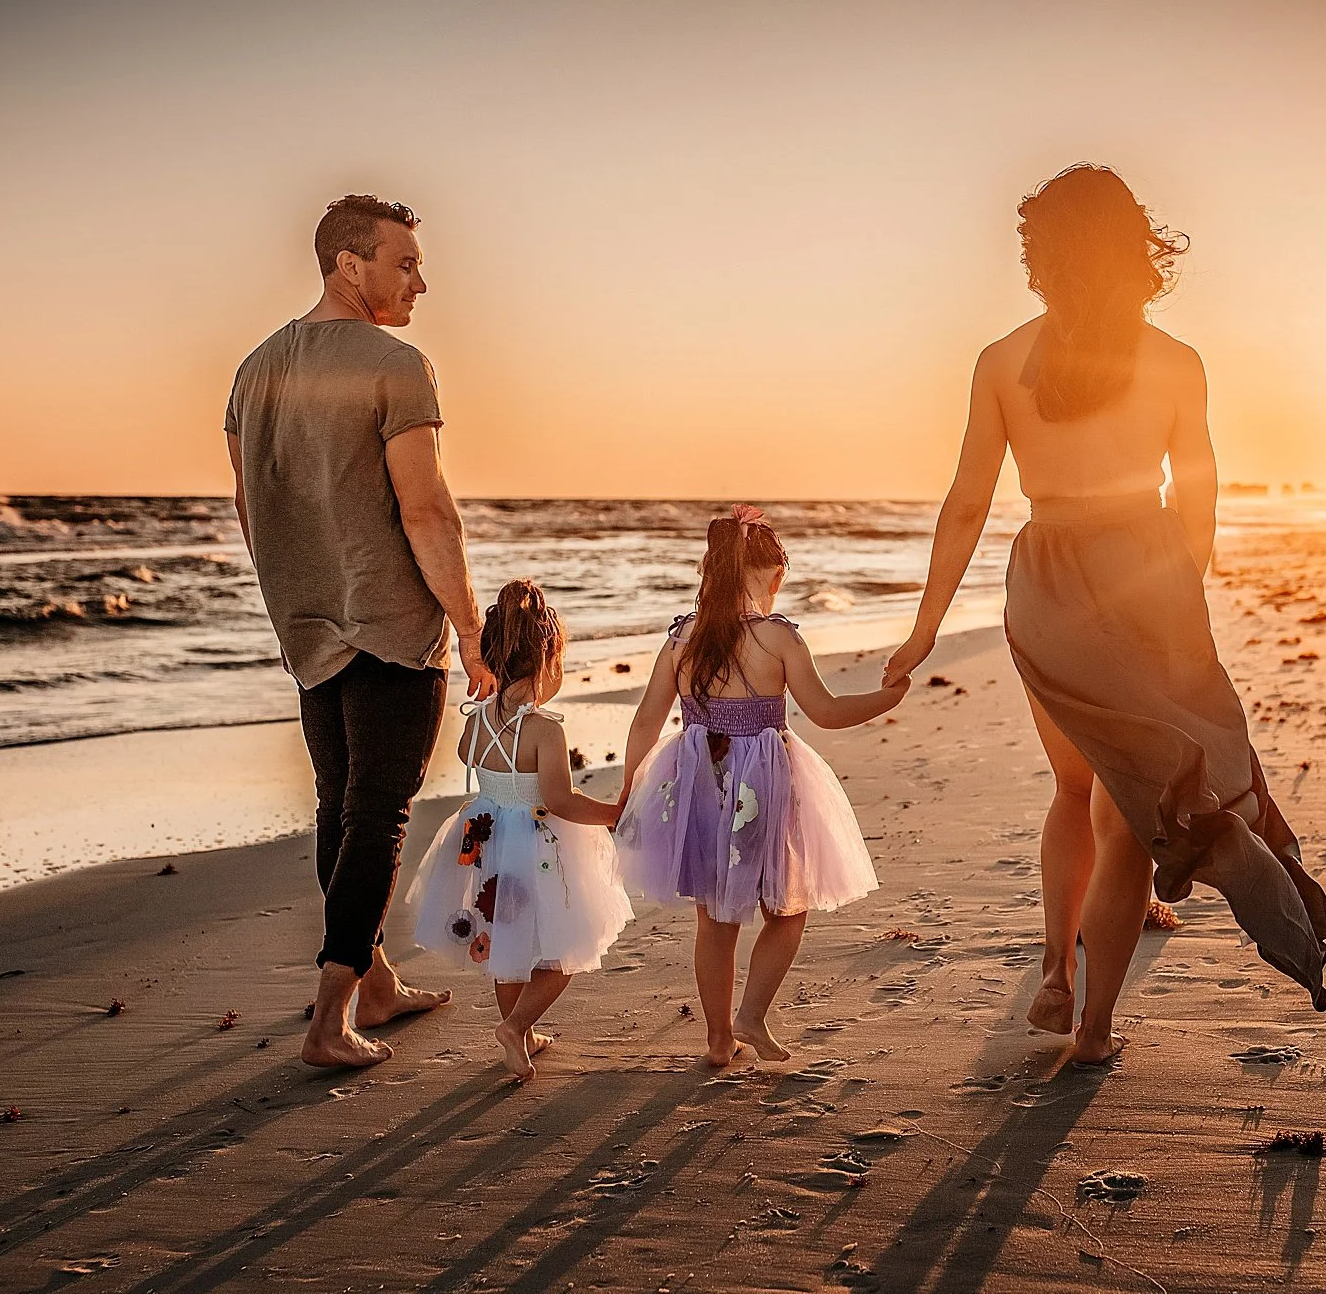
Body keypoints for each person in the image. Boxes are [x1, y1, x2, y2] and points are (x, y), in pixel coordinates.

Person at [884, 164, 1326, 1065]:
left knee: (1074, 790)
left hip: (1045, 586)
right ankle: (1093, 1031)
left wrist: (926, 625)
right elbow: (1198, 491)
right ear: (1135, 249)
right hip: (1149, 583)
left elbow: (968, 501)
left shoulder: (1000, 361)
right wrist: (1180, 594)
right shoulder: (1175, 363)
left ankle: (1055, 970)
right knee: (1129, 814)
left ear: (1041, 255)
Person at [225, 193, 496, 1069]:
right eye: (405, 263)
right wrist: (468, 624)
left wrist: (296, 591)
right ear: (352, 265)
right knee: (376, 815)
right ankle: (329, 1019)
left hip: (304, 627)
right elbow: (425, 509)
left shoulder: (255, 369)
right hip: (386, 620)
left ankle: (373, 985)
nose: (422, 280)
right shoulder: (395, 362)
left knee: (338, 810)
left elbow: (247, 508)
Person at [614, 505, 907, 1067]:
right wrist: (887, 698)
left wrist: (632, 788)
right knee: (787, 909)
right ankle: (751, 1015)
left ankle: (719, 1039)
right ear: (772, 576)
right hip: (761, 782)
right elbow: (826, 711)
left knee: (715, 917)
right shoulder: (777, 638)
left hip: (698, 776)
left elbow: (647, 721)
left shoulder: (682, 639)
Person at [409, 580, 633, 1083]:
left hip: (488, 837)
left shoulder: (479, 720)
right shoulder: (546, 728)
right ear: (549, 660)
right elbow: (560, 801)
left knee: (503, 935)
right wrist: (614, 813)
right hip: (539, 842)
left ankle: (522, 1033)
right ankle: (516, 1027)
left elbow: (468, 756)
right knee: (570, 944)